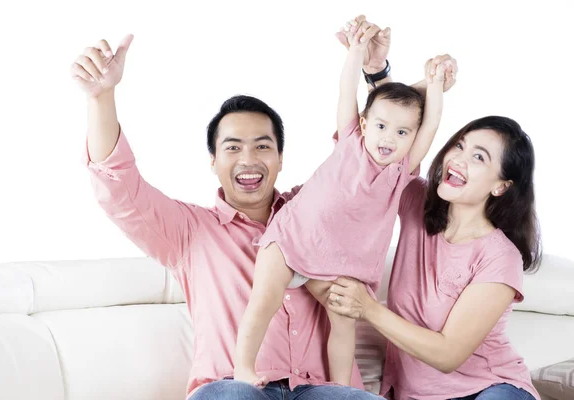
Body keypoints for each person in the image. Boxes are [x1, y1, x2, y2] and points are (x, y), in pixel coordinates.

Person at [70, 16, 393, 400]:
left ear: (280, 157)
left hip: (320, 391)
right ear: (213, 161)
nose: (248, 159)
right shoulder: (190, 230)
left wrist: (376, 74)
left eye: (262, 146)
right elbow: (119, 188)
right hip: (236, 387)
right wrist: (100, 97)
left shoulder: (314, 213)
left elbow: (372, 167)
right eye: (233, 147)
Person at [234, 18, 456, 388]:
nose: (390, 138)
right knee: (264, 300)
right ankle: (243, 366)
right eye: (382, 126)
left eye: (402, 133)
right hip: (294, 239)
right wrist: (355, 50)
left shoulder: (401, 169)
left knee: (343, 325)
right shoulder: (351, 137)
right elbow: (346, 89)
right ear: (366, 124)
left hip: (339, 266)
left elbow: (430, 124)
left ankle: (340, 390)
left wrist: (435, 85)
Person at [327, 113, 542, 399]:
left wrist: (367, 307)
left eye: (479, 157)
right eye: (459, 145)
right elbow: (387, 134)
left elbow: (447, 354)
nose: (458, 159)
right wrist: (378, 74)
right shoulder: (417, 200)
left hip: (491, 388)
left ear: (501, 186)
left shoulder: (500, 257)